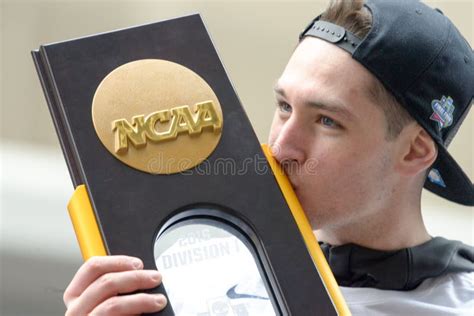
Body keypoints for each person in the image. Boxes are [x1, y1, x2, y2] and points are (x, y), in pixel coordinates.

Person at [63, 0, 473, 315]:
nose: (280, 147)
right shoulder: (193, 284)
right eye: (284, 107)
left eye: (327, 121)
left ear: (415, 150)